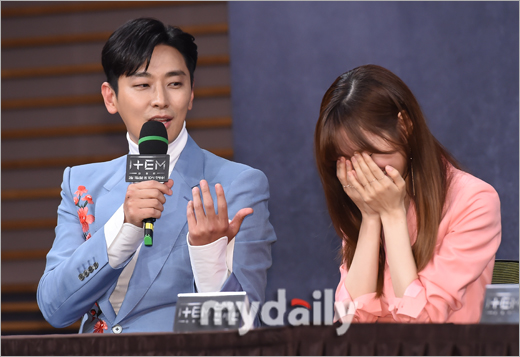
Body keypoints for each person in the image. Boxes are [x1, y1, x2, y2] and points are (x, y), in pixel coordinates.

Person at [37, 18, 277, 333]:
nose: (160, 99)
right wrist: (122, 228)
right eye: (142, 84)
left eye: (175, 83)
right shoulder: (81, 185)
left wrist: (208, 257)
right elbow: (55, 308)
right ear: (111, 98)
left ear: (191, 94)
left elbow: (243, 327)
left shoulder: (235, 185)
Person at [314, 64, 501, 323]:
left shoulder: (474, 201)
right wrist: (370, 218)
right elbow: (348, 322)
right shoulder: (363, 198)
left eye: (370, 154)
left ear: (404, 126)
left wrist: (392, 216)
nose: (363, 171)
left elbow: (421, 323)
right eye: (347, 160)